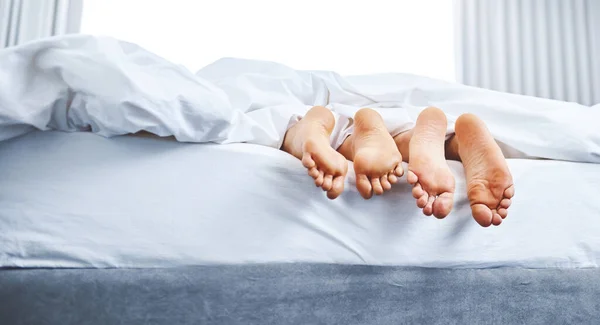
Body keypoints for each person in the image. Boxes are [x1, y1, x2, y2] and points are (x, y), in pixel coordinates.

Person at [281, 106, 514, 228]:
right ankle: (451, 142)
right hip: (391, 123)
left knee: (287, 129)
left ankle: (310, 128)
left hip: (314, 117)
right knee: (398, 140)